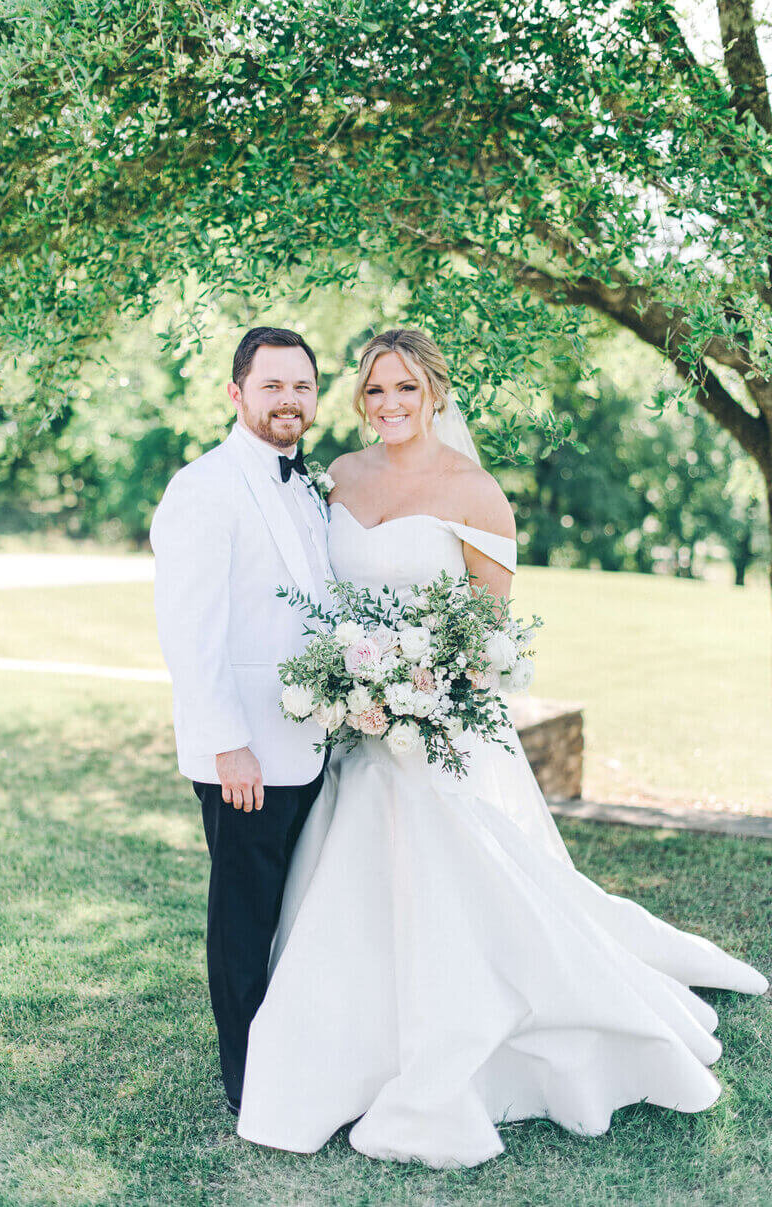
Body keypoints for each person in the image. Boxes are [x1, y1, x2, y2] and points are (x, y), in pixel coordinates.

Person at [234, 328, 769, 1169]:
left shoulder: (475, 492)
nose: (390, 405)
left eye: (406, 389)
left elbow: (489, 632)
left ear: (435, 393)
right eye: (375, 391)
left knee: (461, 894)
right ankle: (341, 1050)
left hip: (437, 731)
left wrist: (423, 689)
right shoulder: (339, 476)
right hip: (357, 734)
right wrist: (355, 685)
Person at [149, 327, 334, 1116]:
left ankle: (295, 1057)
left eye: (302, 386)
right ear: (236, 394)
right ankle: (248, 1081)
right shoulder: (205, 485)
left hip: (315, 745)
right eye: (272, 386)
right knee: (242, 918)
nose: (289, 400)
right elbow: (190, 630)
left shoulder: (312, 487)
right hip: (247, 754)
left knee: (296, 914)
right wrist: (229, 745)